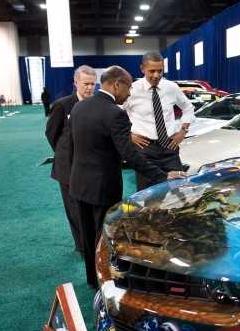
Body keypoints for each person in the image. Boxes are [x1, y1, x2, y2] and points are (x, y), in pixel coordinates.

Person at [68, 66, 188, 289]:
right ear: (117, 84)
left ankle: (92, 281)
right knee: (104, 238)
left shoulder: (79, 107)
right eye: (129, 87)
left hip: (79, 183)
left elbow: (71, 148)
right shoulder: (114, 113)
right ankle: (105, 281)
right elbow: (131, 154)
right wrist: (163, 175)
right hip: (103, 187)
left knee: (87, 236)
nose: (130, 93)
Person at [123, 51, 196, 192]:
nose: (156, 75)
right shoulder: (132, 90)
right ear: (142, 68)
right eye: (152, 71)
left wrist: (183, 131)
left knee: (179, 190)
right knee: (148, 195)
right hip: (145, 150)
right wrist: (129, 135)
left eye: (160, 70)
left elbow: (188, 108)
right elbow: (115, 114)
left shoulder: (171, 88)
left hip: (170, 147)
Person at [45, 65, 97, 258]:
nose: (90, 88)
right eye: (86, 84)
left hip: (90, 165)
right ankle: (83, 247)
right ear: (76, 83)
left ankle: (94, 241)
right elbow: (52, 133)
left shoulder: (96, 104)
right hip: (66, 166)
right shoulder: (62, 105)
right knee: (74, 209)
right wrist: (63, 155)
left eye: (93, 83)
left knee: (90, 206)